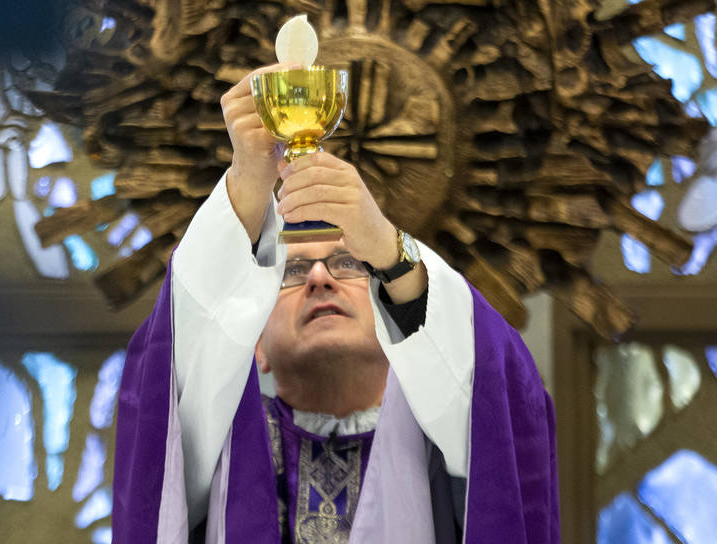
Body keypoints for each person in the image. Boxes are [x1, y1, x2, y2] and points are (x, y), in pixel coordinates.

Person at [111, 66, 559, 543]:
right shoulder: (219, 448)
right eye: (293, 271)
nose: (320, 278)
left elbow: (503, 404)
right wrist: (246, 182)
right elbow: (171, 387)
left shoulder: (445, 443)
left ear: (394, 327)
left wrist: (388, 249)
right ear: (253, 343)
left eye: (347, 263)